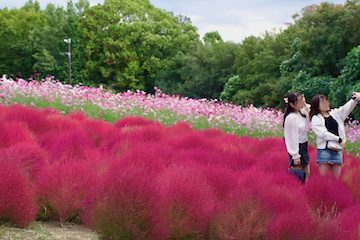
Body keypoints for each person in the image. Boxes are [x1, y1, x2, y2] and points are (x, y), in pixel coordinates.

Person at [310, 93, 359, 178]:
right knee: (324, 179)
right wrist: (339, 139)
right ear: (317, 106)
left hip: (337, 149)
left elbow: (345, 109)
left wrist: (354, 100)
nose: (326, 104)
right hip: (325, 150)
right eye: (323, 102)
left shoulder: (335, 114)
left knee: (335, 180)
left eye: (326, 101)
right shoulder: (316, 118)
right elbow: (323, 134)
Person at [284, 92, 311, 182]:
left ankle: (305, 192)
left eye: (301, 100)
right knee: (297, 176)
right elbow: (291, 138)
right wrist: (295, 155)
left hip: (304, 145)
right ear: (292, 105)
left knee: (306, 173)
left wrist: (304, 102)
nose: (301, 103)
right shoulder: (291, 118)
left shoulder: (301, 114)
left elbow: (310, 110)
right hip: (297, 147)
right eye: (298, 101)